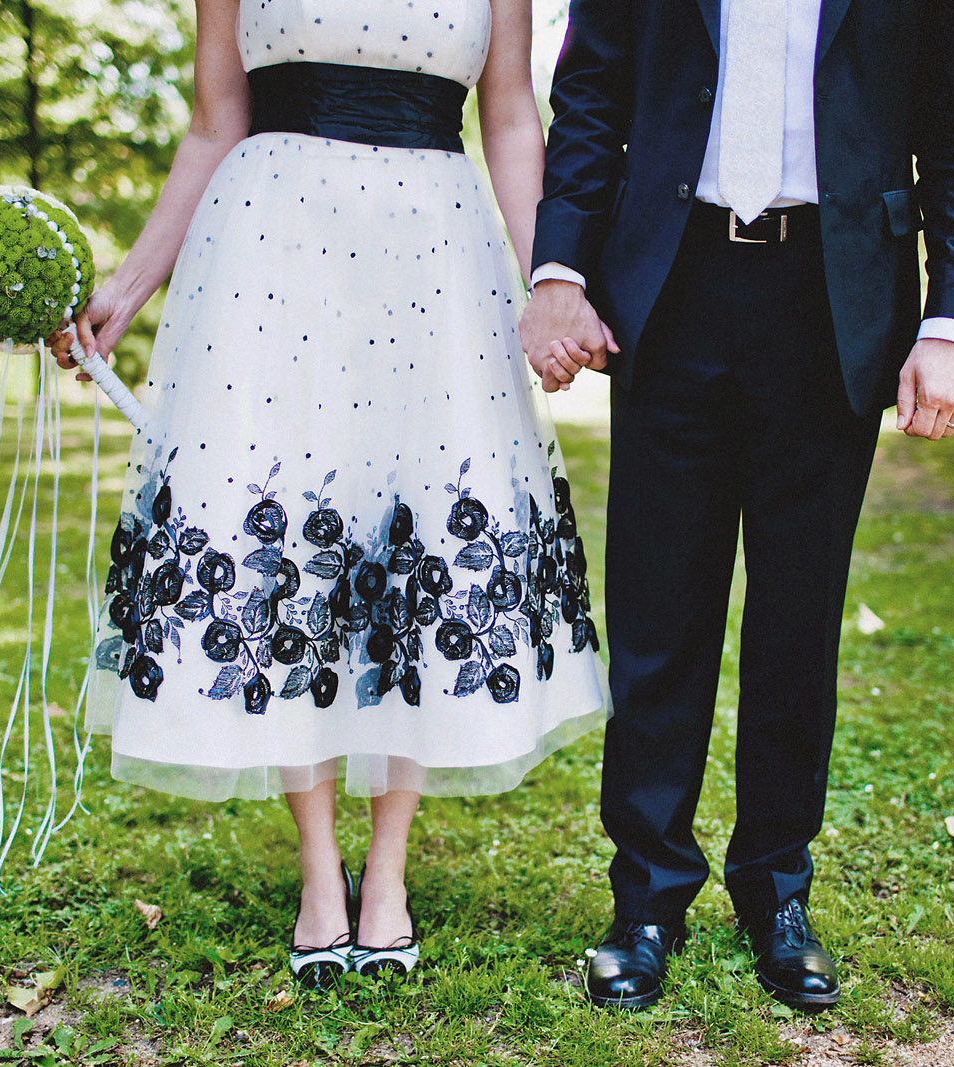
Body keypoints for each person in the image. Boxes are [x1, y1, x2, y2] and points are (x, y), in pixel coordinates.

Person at [51, 0, 608, 989]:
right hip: (272, 254)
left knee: (418, 542)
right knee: (284, 552)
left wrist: (549, 283)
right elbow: (212, 124)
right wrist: (127, 287)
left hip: (435, 259)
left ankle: (386, 870)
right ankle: (318, 870)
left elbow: (513, 116)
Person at [519, 0, 954, 1010]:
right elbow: (589, 94)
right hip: (671, 283)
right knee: (657, 614)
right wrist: (560, 268)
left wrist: (953, 317)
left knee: (798, 617)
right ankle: (645, 899)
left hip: (834, 296)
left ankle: (776, 892)